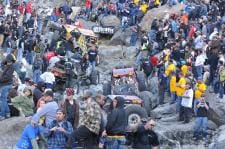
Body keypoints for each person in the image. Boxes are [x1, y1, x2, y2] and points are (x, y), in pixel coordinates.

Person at [0, 54, 16, 120]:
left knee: (2, 100)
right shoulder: (8, 65)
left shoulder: (11, 67)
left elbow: (7, 77)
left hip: (5, 85)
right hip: (6, 85)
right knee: (4, 100)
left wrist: (0, 79)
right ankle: (7, 113)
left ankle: (2, 115)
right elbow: (2, 63)